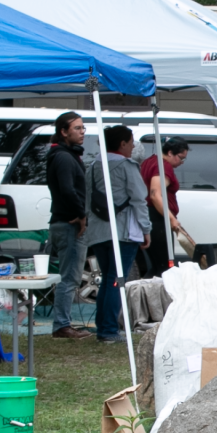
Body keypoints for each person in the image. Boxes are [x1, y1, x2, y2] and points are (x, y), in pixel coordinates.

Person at [84, 123, 151, 345]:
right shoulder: (127, 166)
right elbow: (139, 200)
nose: (133, 147)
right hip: (123, 231)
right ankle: (109, 331)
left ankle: (104, 327)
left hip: (98, 231)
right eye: (131, 142)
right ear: (122, 144)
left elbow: (87, 201)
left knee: (107, 280)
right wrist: (146, 229)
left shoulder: (93, 166)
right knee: (116, 280)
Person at [45, 112, 90, 341]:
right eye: (77, 128)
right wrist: (81, 214)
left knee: (69, 276)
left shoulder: (67, 155)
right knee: (69, 277)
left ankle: (63, 323)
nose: (82, 132)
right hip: (68, 222)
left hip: (64, 221)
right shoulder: (62, 157)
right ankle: (62, 325)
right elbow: (67, 189)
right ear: (64, 131)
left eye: (83, 128)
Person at [139, 137, 197, 274]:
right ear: (170, 153)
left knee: (155, 264)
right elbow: (155, 194)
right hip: (157, 218)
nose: (182, 162)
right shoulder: (163, 166)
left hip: (149, 215)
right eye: (181, 158)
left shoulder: (150, 161)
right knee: (164, 267)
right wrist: (171, 219)